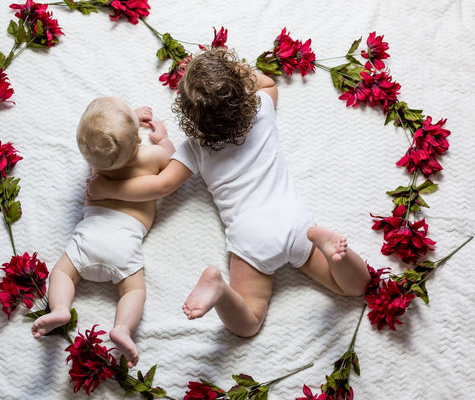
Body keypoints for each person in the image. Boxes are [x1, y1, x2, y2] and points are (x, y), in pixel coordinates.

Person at [86, 48, 372, 338]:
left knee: (249, 323)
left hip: (252, 238)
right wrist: (232, 73)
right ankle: (329, 245)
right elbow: (268, 84)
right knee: (355, 286)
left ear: (188, 114)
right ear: (243, 90)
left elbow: (161, 185)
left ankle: (220, 290)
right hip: (297, 224)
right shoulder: (262, 109)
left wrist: (108, 187)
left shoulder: (196, 147)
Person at [32, 96, 175, 367]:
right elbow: (170, 154)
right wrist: (163, 137)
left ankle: (61, 308)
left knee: (62, 272)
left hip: (89, 236)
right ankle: (122, 327)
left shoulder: (100, 161)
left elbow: (109, 141)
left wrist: (128, 122)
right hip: (125, 242)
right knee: (133, 291)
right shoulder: (151, 157)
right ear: (136, 140)